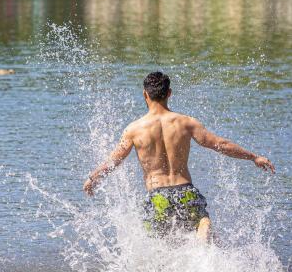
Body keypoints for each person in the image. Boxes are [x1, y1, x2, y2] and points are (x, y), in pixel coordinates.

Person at [83, 72, 274, 241]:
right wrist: (253, 157)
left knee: (162, 247)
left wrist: (93, 178)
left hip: (157, 196)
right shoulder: (186, 123)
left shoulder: (134, 129)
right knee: (204, 226)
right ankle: (203, 239)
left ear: (145, 95)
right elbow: (220, 144)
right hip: (185, 193)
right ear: (169, 93)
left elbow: (114, 160)